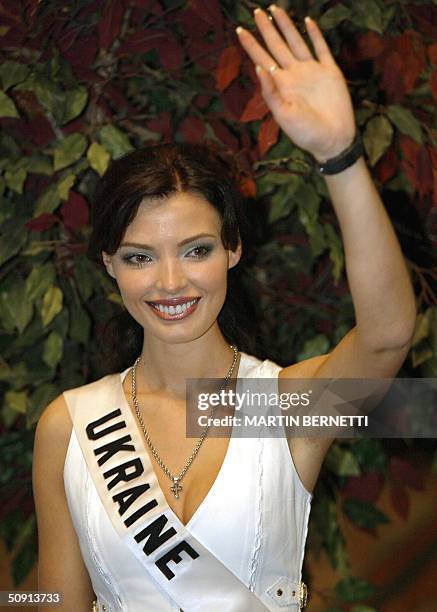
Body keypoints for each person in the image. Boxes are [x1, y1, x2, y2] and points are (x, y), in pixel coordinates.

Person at [32, 5, 416, 611]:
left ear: (233, 249)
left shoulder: (284, 409)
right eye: (138, 258)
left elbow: (389, 336)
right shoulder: (69, 424)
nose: (170, 282)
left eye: (196, 250)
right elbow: (51, 598)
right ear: (109, 265)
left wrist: (340, 157)